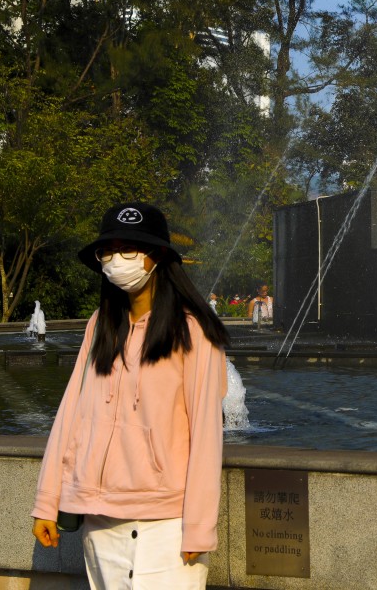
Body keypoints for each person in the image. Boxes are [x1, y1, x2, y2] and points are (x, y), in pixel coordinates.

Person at [31, 202, 229, 589]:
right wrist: (46, 502)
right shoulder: (101, 325)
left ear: (157, 257)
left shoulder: (192, 331)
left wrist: (199, 526)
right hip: (98, 521)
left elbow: (207, 432)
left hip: (165, 526)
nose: (115, 260)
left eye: (129, 249)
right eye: (108, 250)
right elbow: (71, 413)